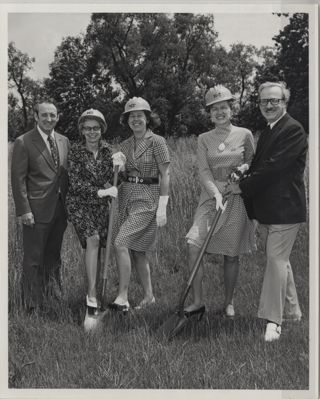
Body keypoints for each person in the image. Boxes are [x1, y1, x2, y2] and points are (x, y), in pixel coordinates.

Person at [232, 81, 308, 342]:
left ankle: (273, 322)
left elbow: (274, 168)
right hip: (269, 209)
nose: (268, 105)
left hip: (286, 209)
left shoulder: (293, 130)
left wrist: (242, 187)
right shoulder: (268, 131)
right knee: (280, 260)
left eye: (274, 100)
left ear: (284, 102)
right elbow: (258, 167)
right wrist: (245, 177)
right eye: (264, 101)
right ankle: (294, 312)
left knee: (275, 260)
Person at [184, 85, 256, 319]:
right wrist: (215, 193)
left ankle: (228, 302)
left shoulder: (244, 134)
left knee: (231, 254)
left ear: (230, 109)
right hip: (211, 199)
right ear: (209, 114)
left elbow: (254, 163)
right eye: (214, 109)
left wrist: (244, 169)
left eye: (223, 107)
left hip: (236, 198)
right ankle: (197, 302)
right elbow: (203, 171)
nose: (219, 112)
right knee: (194, 245)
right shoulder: (203, 139)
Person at [109, 97, 170, 311]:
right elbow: (123, 176)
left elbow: (165, 174)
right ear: (127, 120)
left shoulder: (157, 141)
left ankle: (122, 296)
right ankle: (149, 297)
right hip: (127, 199)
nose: (135, 119)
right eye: (131, 116)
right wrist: (117, 167)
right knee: (138, 251)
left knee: (120, 242)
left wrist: (163, 205)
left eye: (139, 116)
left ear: (147, 118)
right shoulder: (124, 144)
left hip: (148, 199)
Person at [11, 98, 70, 313]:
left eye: (52, 115)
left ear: (57, 117)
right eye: (44, 115)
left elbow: (65, 175)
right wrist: (24, 210)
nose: (49, 119)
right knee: (34, 259)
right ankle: (32, 304)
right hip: (35, 212)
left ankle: (53, 297)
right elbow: (18, 180)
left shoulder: (64, 141)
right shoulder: (23, 142)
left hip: (60, 210)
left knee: (54, 257)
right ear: (36, 116)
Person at [66, 109, 125, 321]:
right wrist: (101, 191)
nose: (92, 132)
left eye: (96, 128)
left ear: (102, 129)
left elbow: (118, 177)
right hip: (79, 203)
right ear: (82, 130)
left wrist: (122, 166)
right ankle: (91, 297)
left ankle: (98, 291)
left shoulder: (109, 151)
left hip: (100, 207)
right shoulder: (75, 151)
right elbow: (75, 183)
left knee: (100, 247)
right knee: (93, 239)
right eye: (87, 128)